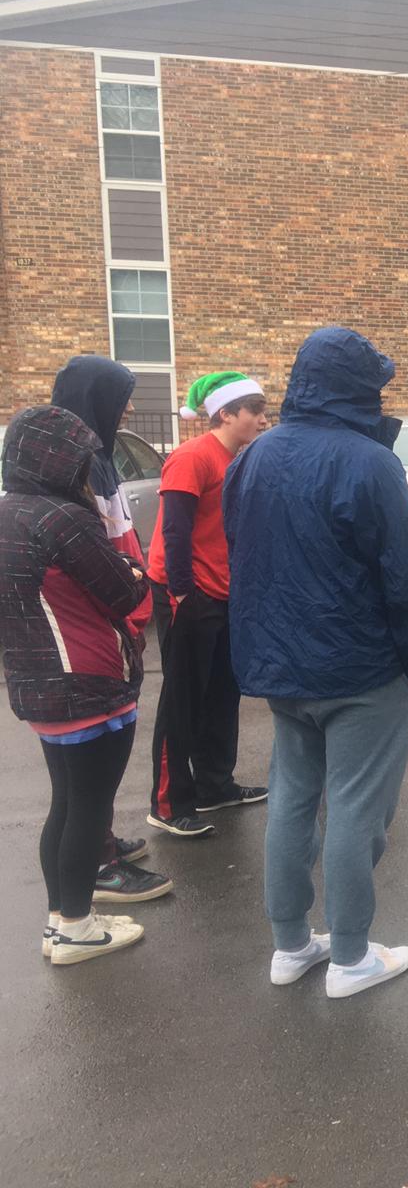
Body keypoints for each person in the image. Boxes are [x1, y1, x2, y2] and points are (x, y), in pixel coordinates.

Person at [224, 327, 408, 999]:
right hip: (361, 667)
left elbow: (245, 550)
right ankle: (349, 957)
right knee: (354, 808)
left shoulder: (253, 457)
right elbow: (402, 576)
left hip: (281, 666)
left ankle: (291, 944)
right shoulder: (370, 463)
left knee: (291, 797)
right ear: (358, 389)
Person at [0, 406, 151, 964]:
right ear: (60, 460)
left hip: (37, 683)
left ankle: (62, 920)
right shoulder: (63, 518)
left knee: (65, 804)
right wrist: (137, 573)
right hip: (89, 681)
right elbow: (125, 592)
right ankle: (77, 929)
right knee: (88, 809)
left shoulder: (8, 511)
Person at [48, 355, 171, 905]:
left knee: (91, 769)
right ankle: (96, 862)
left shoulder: (97, 452)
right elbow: (99, 550)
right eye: (118, 397)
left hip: (118, 613)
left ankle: (97, 842)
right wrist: (128, 610)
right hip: (97, 626)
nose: (126, 408)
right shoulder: (76, 460)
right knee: (89, 762)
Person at [146, 372, 269, 838]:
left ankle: (214, 786)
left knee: (221, 693)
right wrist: (181, 593)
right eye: (253, 411)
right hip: (189, 595)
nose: (261, 419)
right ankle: (168, 802)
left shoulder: (235, 457)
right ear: (225, 414)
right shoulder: (191, 457)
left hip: (224, 593)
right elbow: (174, 530)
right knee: (182, 699)